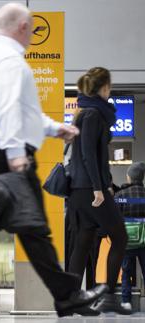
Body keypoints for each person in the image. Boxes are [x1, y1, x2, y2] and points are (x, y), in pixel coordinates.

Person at [0, 3, 107, 317]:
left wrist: (56, 128)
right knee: (33, 226)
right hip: (2, 153)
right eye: (33, 28)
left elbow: (24, 111)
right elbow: (11, 109)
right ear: (23, 27)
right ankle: (67, 296)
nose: (34, 35)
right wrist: (15, 155)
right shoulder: (12, 60)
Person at [67, 67, 130, 315]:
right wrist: (99, 188)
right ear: (104, 88)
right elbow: (88, 155)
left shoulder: (86, 111)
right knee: (121, 237)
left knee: (82, 243)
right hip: (90, 190)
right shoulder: (93, 114)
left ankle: (73, 300)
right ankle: (110, 298)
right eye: (110, 86)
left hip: (80, 190)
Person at [115, 162, 145, 312]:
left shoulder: (120, 195)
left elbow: (115, 217)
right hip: (144, 240)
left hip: (127, 240)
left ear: (129, 177)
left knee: (126, 271)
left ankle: (126, 301)